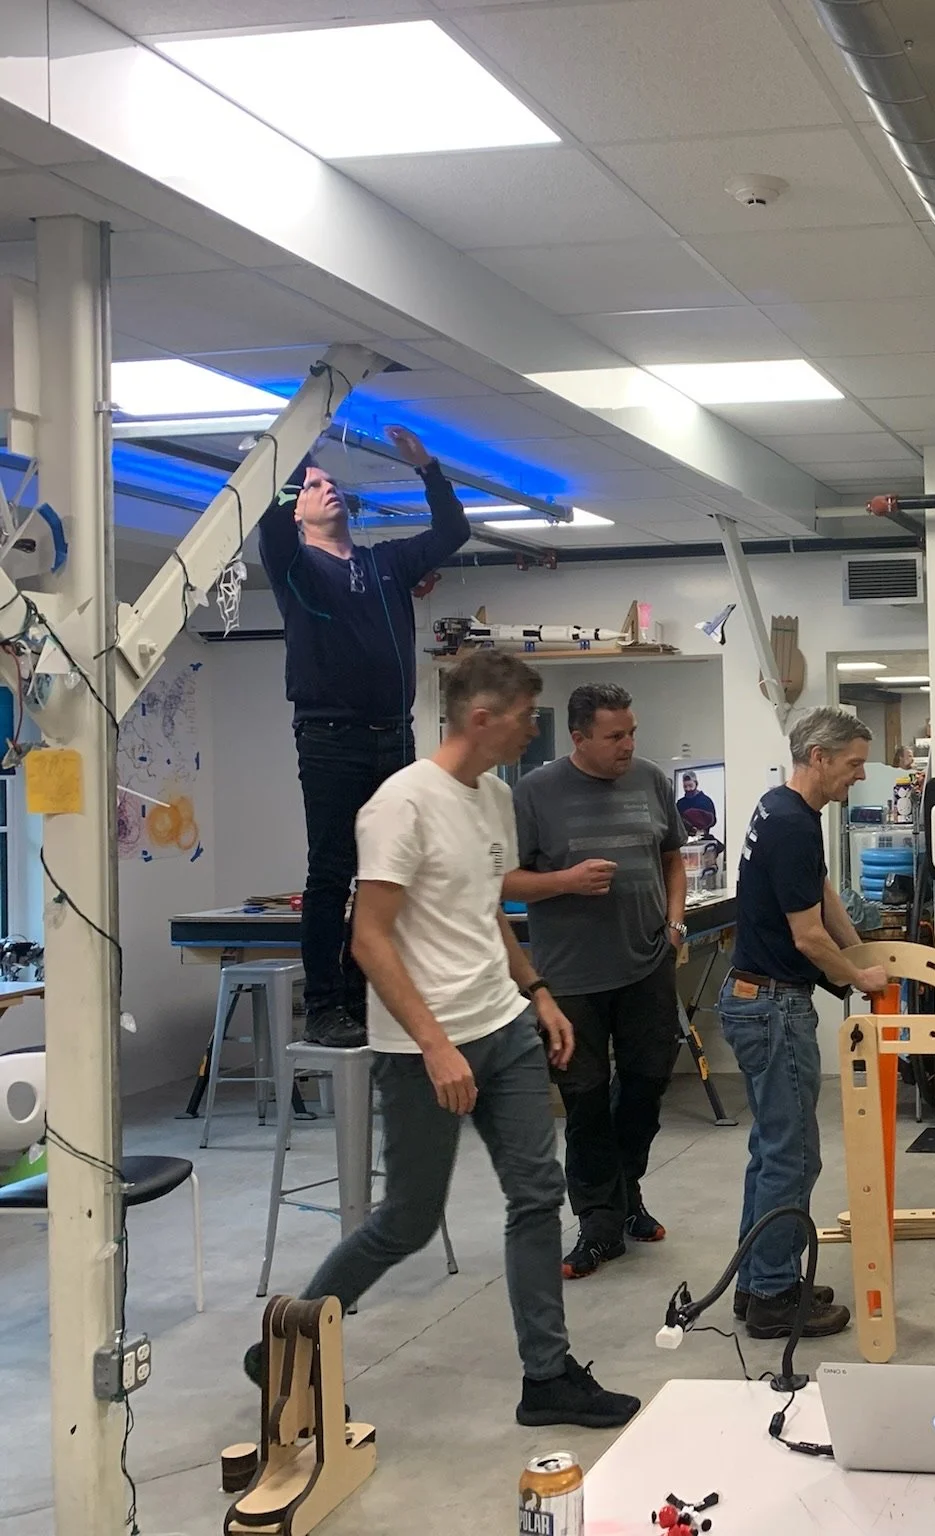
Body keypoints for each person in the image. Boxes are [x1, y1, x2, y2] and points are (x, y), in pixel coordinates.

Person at [250, 651, 639, 1429]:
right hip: (426, 1050)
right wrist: (433, 1043)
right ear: (482, 718)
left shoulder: (495, 800)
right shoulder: (401, 805)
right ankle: (287, 1345)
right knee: (409, 1219)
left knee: (537, 1194)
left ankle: (547, 1375)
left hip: (504, 1026)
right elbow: (368, 938)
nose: (536, 729)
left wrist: (536, 992)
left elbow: (483, 909)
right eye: (527, 716)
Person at [258, 425, 470, 1048]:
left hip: (393, 736)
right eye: (313, 486)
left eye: (333, 483)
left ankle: (377, 991)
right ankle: (327, 1004)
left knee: (394, 868)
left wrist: (427, 467)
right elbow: (270, 512)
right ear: (296, 507)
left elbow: (452, 532)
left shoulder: (385, 564)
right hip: (329, 737)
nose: (328, 491)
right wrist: (297, 450)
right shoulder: (294, 566)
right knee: (331, 871)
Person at [508, 682, 687, 1280]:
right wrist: (564, 882)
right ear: (579, 737)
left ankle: (625, 1191)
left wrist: (675, 920)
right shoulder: (533, 793)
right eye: (615, 736)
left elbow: (672, 857)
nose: (628, 745)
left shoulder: (652, 781)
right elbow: (499, 881)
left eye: (632, 732)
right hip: (572, 980)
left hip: (645, 964)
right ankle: (598, 1224)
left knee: (647, 1087)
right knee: (585, 1102)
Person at [721, 708, 890, 1339]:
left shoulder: (783, 810)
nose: (860, 774)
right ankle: (772, 1294)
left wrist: (864, 953)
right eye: (853, 763)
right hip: (772, 1006)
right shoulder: (792, 823)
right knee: (792, 1156)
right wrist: (856, 977)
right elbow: (807, 934)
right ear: (818, 757)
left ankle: (757, 1280)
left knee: (771, 1153)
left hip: (758, 999)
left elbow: (820, 893)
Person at [676, 769, 718, 837]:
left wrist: (700, 827)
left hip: (702, 837)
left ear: (696, 784)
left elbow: (713, 821)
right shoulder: (680, 803)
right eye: (685, 787)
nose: (688, 789)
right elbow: (676, 821)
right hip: (685, 838)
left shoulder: (706, 801)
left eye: (690, 786)